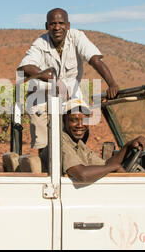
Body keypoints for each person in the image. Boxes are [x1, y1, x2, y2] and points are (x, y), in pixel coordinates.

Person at [17, 8, 119, 153]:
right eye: (53, 24)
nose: (57, 27)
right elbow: (25, 68)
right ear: (47, 26)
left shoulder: (77, 37)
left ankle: (76, 164)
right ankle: (49, 170)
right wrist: (54, 80)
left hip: (71, 95)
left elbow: (94, 59)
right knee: (45, 144)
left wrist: (112, 83)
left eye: (61, 23)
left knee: (78, 128)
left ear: (68, 25)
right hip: (41, 99)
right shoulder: (40, 43)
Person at [41, 101, 145, 183]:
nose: (80, 125)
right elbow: (82, 174)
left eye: (85, 120)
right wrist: (115, 167)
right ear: (64, 120)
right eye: (74, 120)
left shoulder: (78, 144)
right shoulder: (60, 142)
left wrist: (127, 146)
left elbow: (105, 165)